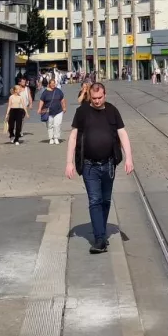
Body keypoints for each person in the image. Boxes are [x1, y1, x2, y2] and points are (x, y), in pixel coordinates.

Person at [65, 81, 133, 254]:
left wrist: (129, 159)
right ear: (90, 96)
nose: (96, 101)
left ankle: (101, 232)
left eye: (99, 97)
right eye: (94, 98)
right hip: (89, 165)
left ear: (105, 94)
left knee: (105, 200)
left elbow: (122, 134)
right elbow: (73, 137)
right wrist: (69, 162)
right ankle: (100, 239)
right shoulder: (82, 112)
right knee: (94, 201)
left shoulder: (112, 110)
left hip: (108, 164)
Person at [40, 78, 66, 146]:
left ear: (55, 84)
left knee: (57, 125)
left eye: (54, 83)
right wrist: (39, 109)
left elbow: (62, 100)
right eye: (51, 83)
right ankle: (51, 138)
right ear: (49, 84)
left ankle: (56, 138)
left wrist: (64, 107)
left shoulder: (58, 91)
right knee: (50, 125)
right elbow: (42, 100)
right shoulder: (45, 92)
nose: (53, 84)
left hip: (58, 111)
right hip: (48, 112)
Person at [5, 80, 30, 144]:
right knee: (11, 127)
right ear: (15, 90)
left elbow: (24, 106)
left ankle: (16, 139)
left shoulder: (20, 97)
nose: (20, 90)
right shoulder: (11, 97)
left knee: (18, 126)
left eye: (20, 89)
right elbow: (9, 106)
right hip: (12, 111)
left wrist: (26, 113)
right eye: (18, 89)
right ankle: (11, 135)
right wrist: (7, 114)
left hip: (19, 111)